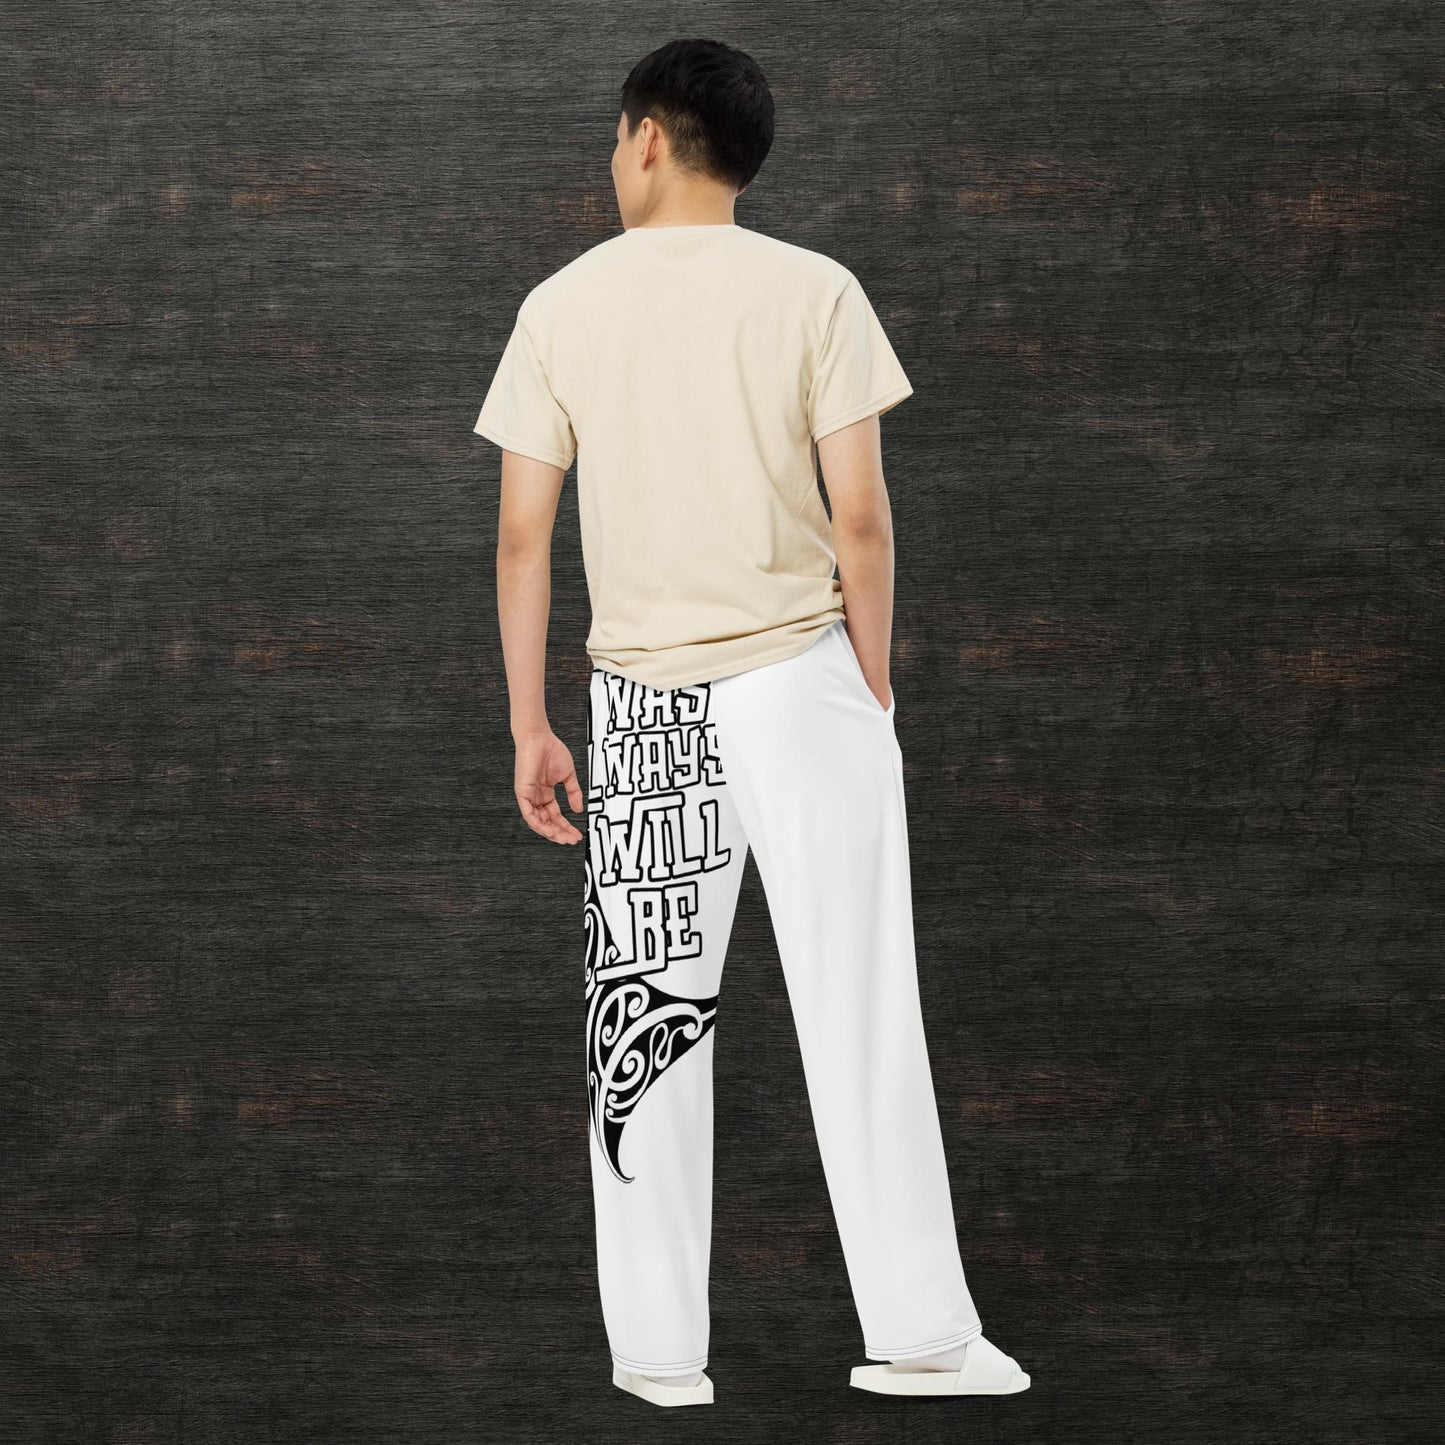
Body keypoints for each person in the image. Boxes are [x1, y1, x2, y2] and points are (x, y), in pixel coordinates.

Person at [472, 37, 1031, 1408]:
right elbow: (861, 517)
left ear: (648, 138)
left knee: (644, 1026)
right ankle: (926, 1337)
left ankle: (659, 1358)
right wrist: (871, 681)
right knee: (861, 1004)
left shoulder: (560, 305)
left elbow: (523, 534)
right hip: (803, 679)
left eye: (615, 140)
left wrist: (532, 723)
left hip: (641, 707)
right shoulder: (816, 289)